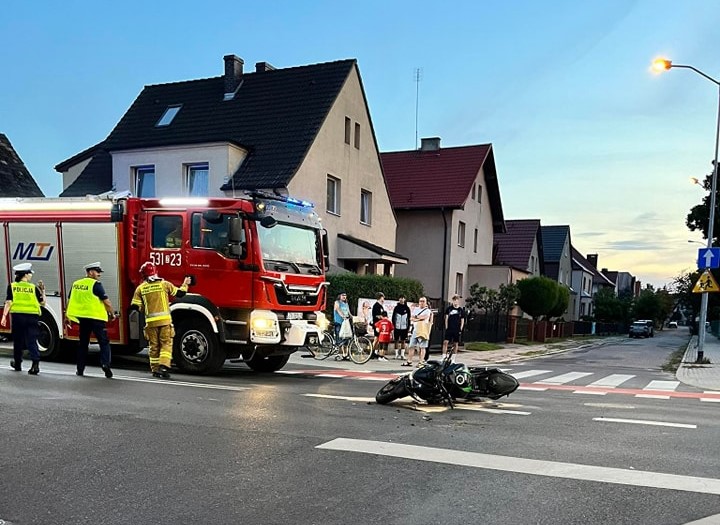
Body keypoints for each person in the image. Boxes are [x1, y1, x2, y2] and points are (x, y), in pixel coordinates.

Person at [130, 262, 191, 379]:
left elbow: (134, 307)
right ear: (155, 271)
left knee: (154, 346)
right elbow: (180, 293)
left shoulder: (141, 288)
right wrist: (185, 284)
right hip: (164, 322)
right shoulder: (164, 284)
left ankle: (155, 369)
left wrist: (145, 307)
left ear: (143, 275)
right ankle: (163, 366)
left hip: (151, 323)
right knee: (166, 344)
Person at [65, 262, 118, 378]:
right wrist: (112, 313)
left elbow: (69, 301)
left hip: (83, 319)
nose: (99, 274)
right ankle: (105, 364)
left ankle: (80, 369)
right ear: (90, 272)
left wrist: (67, 316)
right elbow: (106, 301)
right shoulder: (96, 284)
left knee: (83, 344)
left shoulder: (76, 284)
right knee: (104, 342)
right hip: (97, 319)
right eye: (97, 271)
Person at [1, 263, 45, 374]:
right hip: (32, 317)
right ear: (25, 275)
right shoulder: (33, 287)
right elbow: (43, 303)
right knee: (32, 341)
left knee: (18, 341)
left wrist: (4, 316)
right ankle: (35, 364)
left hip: (18, 317)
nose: (31, 275)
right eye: (30, 273)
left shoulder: (12, 286)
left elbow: (9, 302)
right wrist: (42, 291)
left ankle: (18, 363)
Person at [404, 297, 432, 367]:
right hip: (415, 329)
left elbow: (424, 317)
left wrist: (416, 317)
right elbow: (411, 318)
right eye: (420, 301)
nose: (421, 302)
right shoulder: (416, 309)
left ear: (425, 303)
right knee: (411, 346)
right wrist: (417, 318)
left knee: (422, 347)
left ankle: (421, 362)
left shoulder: (427, 310)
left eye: (423, 301)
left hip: (423, 330)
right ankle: (409, 361)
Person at [442, 295, 467, 362]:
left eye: (457, 300)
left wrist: (460, 329)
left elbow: (462, 320)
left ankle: (453, 358)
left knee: (455, 343)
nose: (455, 302)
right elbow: (446, 318)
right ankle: (444, 357)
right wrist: (447, 327)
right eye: (454, 300)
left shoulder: (461, 311)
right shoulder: (449, 309)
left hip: (456, 329)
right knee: (445, 342)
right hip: (450, 328)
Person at [391, 295, 411, 360]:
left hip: (404, 327)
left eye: (402, 298)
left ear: (404, 299)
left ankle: (402, 354)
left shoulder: (407, 308)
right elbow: (393, 317)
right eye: (400, 298)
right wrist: (394, 325)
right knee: (396, 340)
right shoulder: (396, 308)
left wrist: (408, 327)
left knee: (403, 341)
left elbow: (409, 318)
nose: (401, 299)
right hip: (396, 327)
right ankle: (396, 354)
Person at [371, 292, 387, 357]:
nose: (384, 299)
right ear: (380, 298)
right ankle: (371, 352)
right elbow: (376, 315)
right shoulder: (376, 306)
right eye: (383, 298)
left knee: (378, 339)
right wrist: (382, 317)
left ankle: (375, 352)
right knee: (376, 338)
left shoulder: (381, 306)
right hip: (377, 324)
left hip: (381, 324)